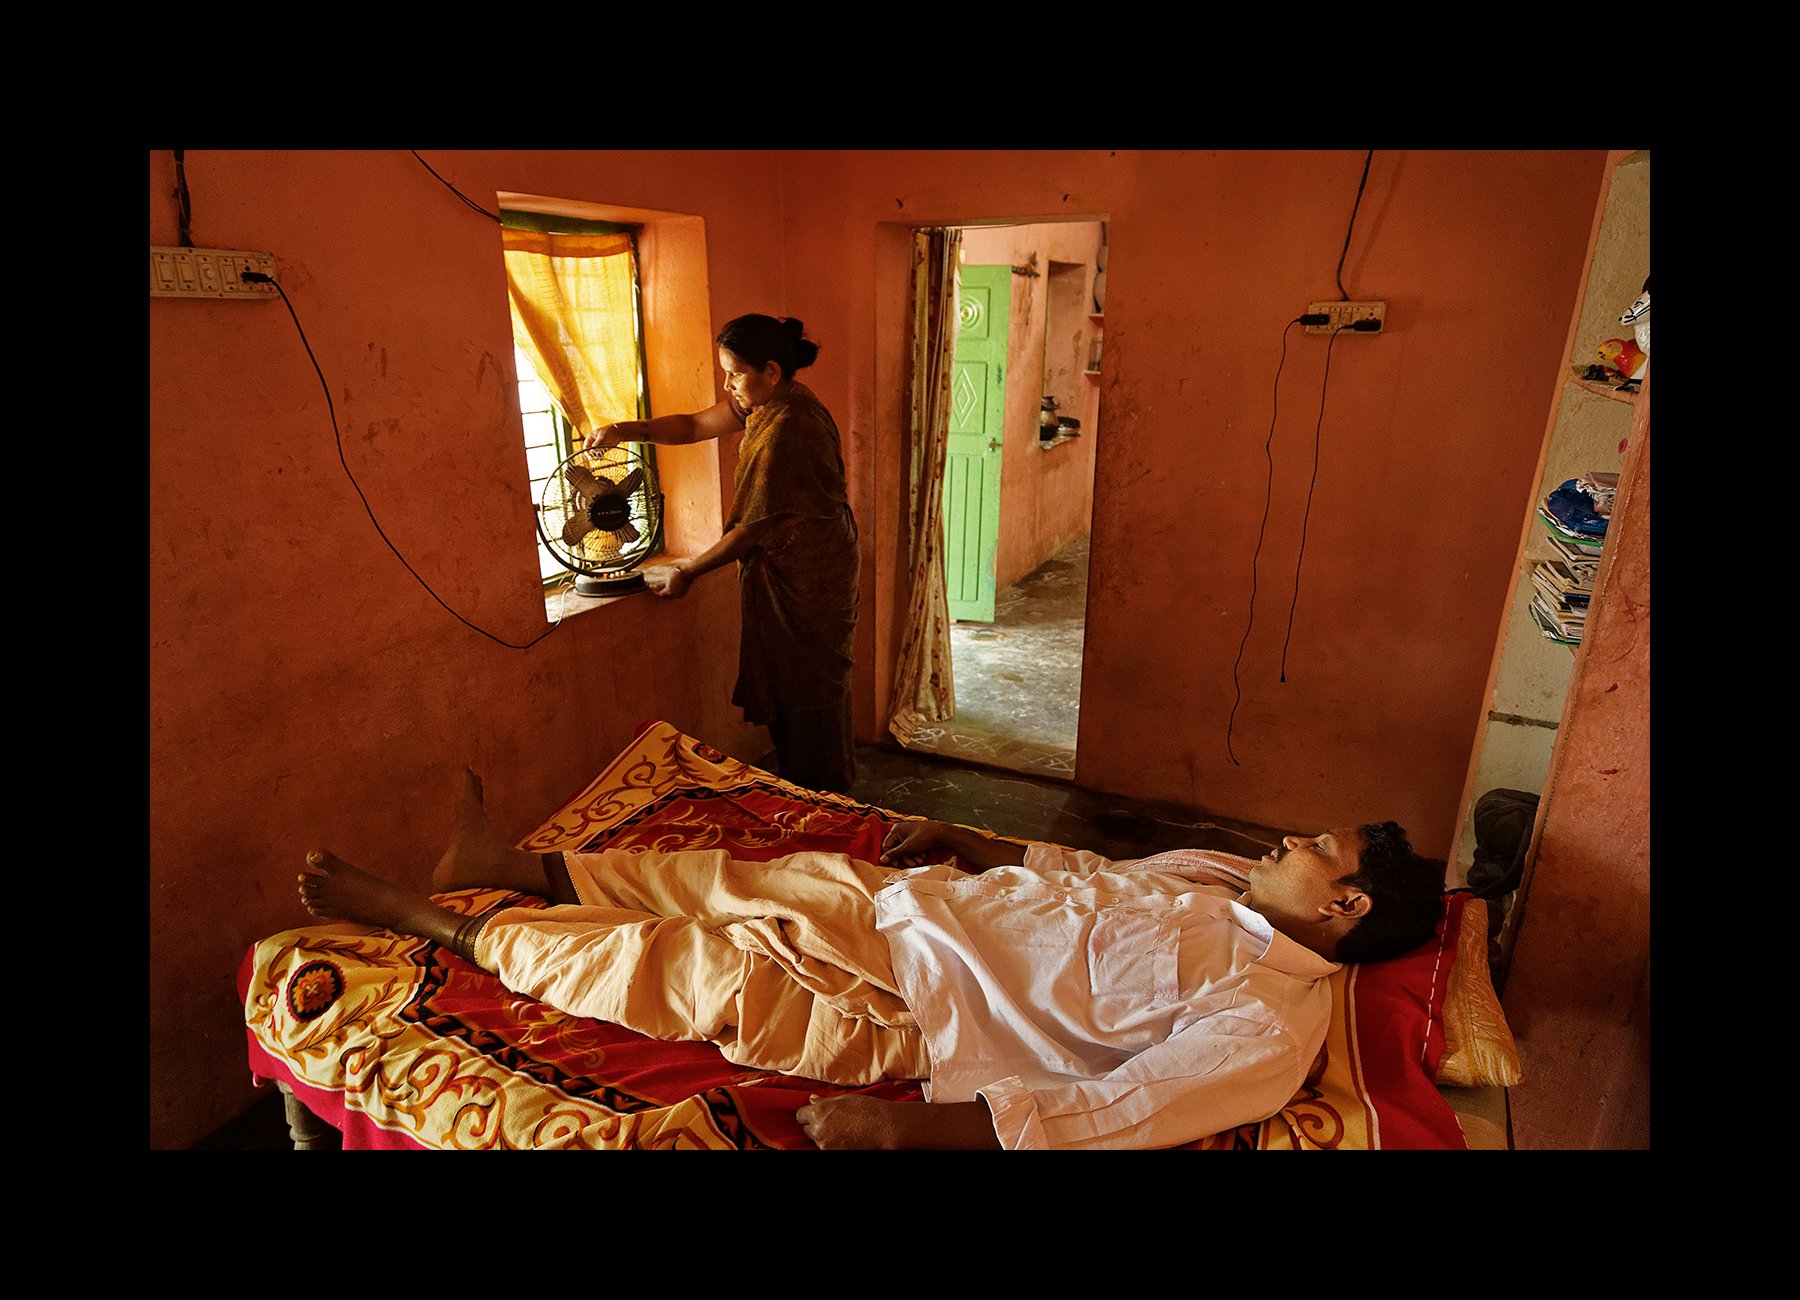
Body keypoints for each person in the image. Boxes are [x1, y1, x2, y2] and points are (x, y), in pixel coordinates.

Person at [297, 770, 1446, 1151]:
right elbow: (1078, 864)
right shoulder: (1215, 875)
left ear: (1343, 906)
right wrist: (972, 841)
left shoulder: (1266, 1022)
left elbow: (1113, 1113)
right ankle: (512, 863)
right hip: (917, 908)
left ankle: (441, 923)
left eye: (1316, 850)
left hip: (909, 1012)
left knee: (673, 965)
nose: (1289, 841)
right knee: (729, 876)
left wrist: (907, 1127)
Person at [587, 315, 859, 793]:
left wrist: (688, 570)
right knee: (794, 693)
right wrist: (624, 429)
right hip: (791, 568)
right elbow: (693, 425)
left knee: (808, 695)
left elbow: (754, 528)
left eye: (734, 373)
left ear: (771, 371)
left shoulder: (788, 427)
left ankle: (823, 805)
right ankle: (810, 796)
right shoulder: (769, 402)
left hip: (810, 579)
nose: (728, 384)